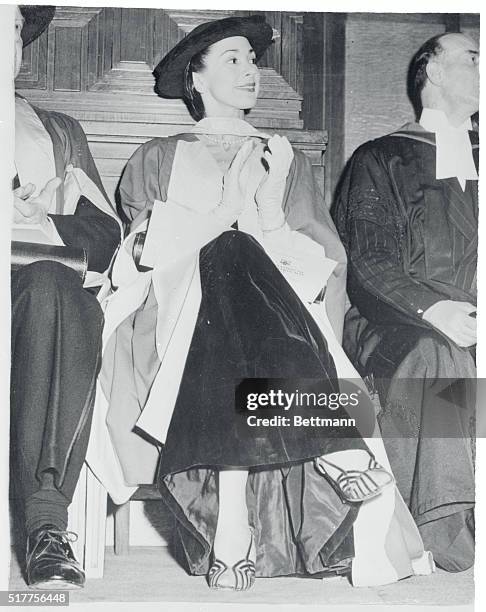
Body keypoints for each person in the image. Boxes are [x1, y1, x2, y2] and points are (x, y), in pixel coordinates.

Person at [86, 15, 435, 591]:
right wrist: (230, 207)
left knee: (242, 254)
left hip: (278, 320)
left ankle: (231, 526)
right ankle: (335, 444)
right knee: (230, 247)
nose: (252, 70)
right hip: (174, 313)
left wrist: (271, 207)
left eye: (253, 59)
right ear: (194, 80)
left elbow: (319, 267)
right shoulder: (156, 155)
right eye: (234, 59)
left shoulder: (283, 156)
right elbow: (145, 252)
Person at [333, 32, 478, 572]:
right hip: (397, 322)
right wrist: (434, 310)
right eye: (473, 57)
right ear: (432, 72)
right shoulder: (383, 157)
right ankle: (446, 530)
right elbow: (368, 263)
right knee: (440, 355)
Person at [11, 6, 121, 590]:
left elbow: (106, 238)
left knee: (59, 288)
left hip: (30, 280)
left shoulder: (59, 132)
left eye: (10, 31)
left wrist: (47, 222)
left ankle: (45, 525)